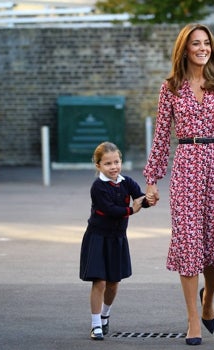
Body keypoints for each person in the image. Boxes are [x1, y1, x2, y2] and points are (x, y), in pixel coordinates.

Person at [143, 23, 214, 346]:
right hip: (186, 164)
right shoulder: (171, 87)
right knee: (189, 244)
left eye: (206, 43)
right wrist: (152, 180)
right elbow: (161, 137)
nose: (202, 48)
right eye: (195, 44)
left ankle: (208, 301)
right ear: (184, 50)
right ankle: (193, 320)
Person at [79, 141, 149, 341]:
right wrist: (131, 210)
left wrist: (149, 200)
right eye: (108, 163)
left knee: (113, 283)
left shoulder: (126, 182)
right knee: (99, 281)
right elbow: (110, 210)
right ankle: (95, 325)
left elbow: (140, 197)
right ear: (98, 165)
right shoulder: (98, 187)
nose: (113, 167)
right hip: (98, 237)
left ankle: (105, 315)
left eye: (116, 162)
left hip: (117, 239)